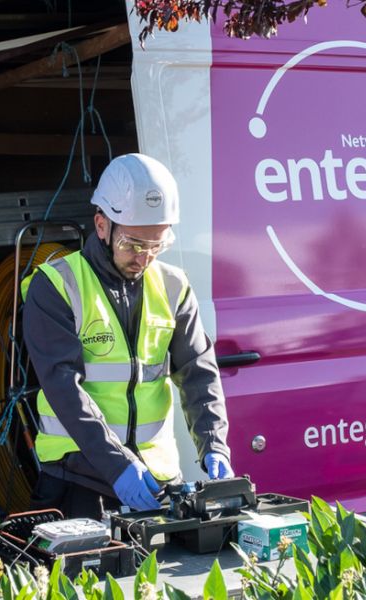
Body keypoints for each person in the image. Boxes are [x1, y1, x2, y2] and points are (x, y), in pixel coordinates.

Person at [21, 153, 232, 520]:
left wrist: (214, 445)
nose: (144, 258)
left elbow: (198, 373)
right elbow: (63, 388)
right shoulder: (55, 285)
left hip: (157, 479)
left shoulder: (172, 286)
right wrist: (117, 464)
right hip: (78, 479)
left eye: (156, 245)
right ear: (102, 225)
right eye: (133, 244)